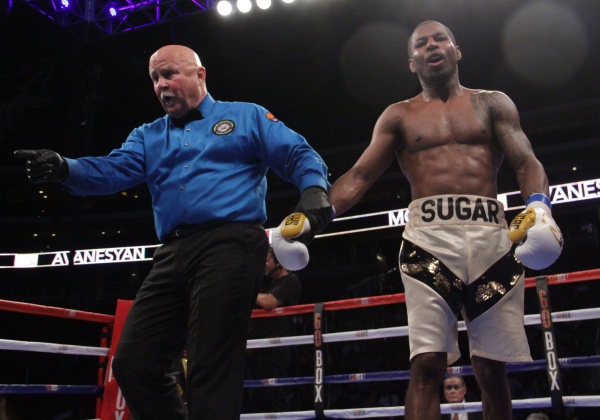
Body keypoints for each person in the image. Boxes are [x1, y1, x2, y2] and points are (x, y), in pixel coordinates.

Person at [14, 44, 333, 420]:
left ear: (200, 74)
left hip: (230, 243)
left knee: (209, 361)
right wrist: (65, 168)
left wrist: (314, 189)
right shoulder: (147, 135)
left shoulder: (245, 115)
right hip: (172, 251)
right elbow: (112, 170)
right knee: (134, 362)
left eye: (169, 74)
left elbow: (296, 152)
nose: (161, 85)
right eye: (154, 78)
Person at [327, 21, 562, 420]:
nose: (432, 46)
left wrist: (539, 207)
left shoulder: (493, 103)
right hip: (429, 241)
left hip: (492, 239)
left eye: (440, 39)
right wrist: (315, 216)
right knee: (426, 363)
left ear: (457, 51)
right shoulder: (399, 115)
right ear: (412, 62)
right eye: (421, 43)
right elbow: (360, 176)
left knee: (492, 368)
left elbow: (526, 162)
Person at [245, 246, 301, 413]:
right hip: (254, 346)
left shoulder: (290, 281)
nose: (264, 265)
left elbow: (269, 302)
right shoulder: (264, 283)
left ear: (279, 262)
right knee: (256, 397)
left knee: (275, 396)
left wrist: (248, 291)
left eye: (267, 260)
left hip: (275, 348)